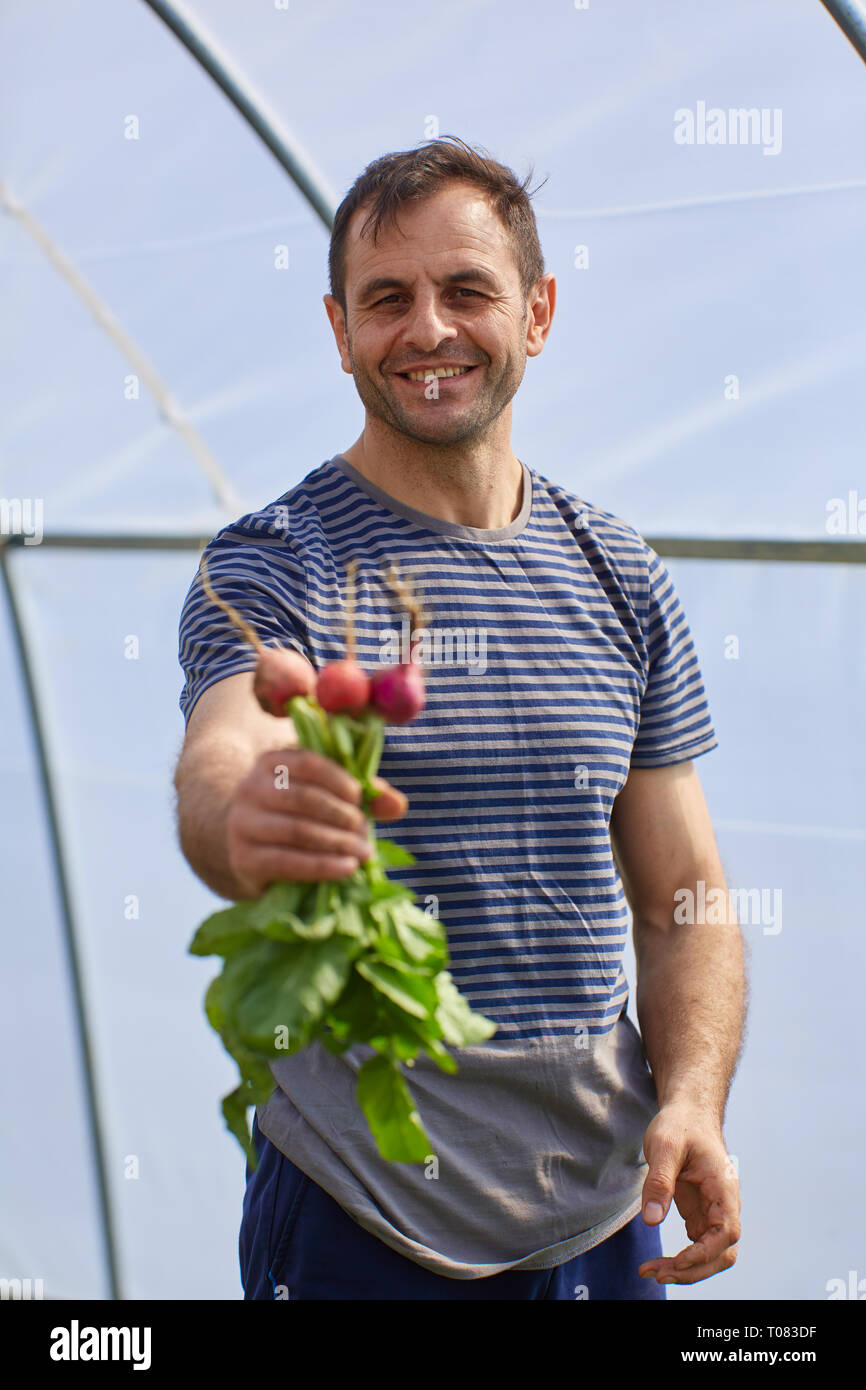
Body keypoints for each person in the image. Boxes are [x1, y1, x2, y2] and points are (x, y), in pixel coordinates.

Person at [173, 135, 745, 1301]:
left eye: (466, 290)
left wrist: (690, 1099)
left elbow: (684, 892)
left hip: (599, 1213)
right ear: (339, 331)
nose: (427, 329)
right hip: (364, 1215)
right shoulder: (282, 563)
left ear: (536, 313)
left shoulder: (617, 573)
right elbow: (227, 753)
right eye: (387, 299)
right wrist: (248, 813)